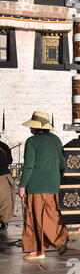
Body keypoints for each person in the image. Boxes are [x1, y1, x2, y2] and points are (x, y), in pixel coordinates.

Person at [18, 111, 69, 260]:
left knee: (34, 218)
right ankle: (60, 237)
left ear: (35, 128)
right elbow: (62, 162)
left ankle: (38, 251)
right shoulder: (56, 140)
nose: (30, 129)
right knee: (51, 215)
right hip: (53, 185)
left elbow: (28, 166)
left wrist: (22, 186)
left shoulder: (32, 141)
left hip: (36, 185)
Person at [0, 138, 15, 231]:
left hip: (2, 175)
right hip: (4, 175)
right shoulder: (4, 146)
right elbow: (10, 160)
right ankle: (4, 221)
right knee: (5, 201)